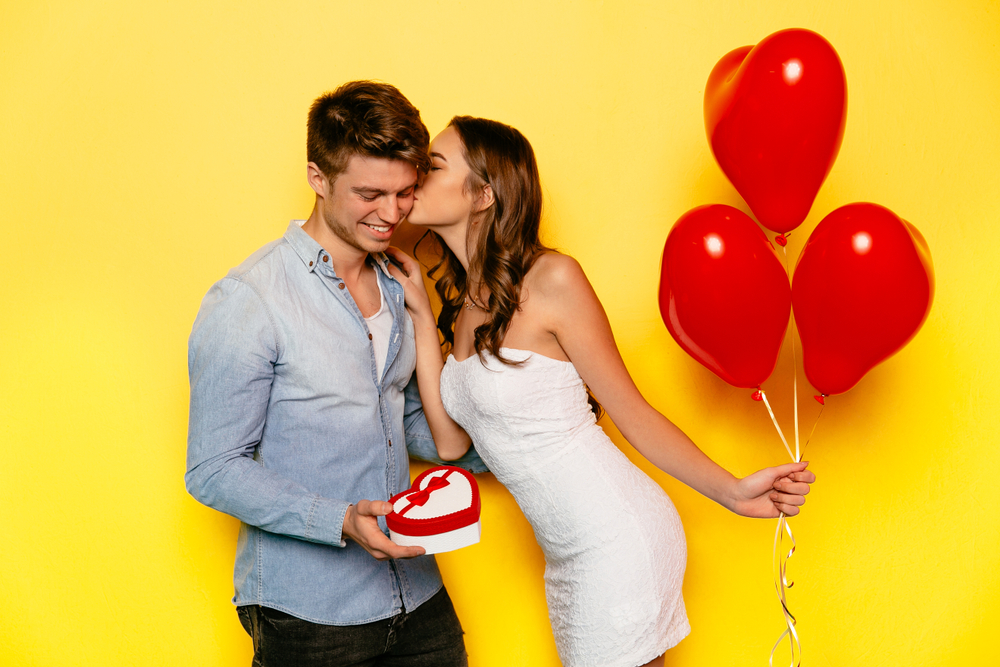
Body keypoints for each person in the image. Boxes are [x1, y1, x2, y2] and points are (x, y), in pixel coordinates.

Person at [385, 116, 816, 667]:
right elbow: (450, 444)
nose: (416, 173)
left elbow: (633, 413)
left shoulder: (553, 279)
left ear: (484, 194)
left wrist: (732, 491)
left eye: (434, 165)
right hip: (567, 556)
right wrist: (422, 315)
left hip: (618, 539)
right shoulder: (468, 304)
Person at [185, 82, 486, 667]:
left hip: (418, 594)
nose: (392, 214)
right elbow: (213, 469)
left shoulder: (399, 286)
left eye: (405, 192)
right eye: (370, 194)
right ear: (318, 178)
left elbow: (400, 419)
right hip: (311, 615)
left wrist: (519, 440)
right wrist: (340, 520)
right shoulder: (249, 300)